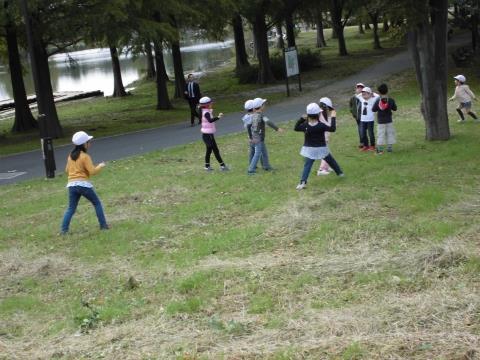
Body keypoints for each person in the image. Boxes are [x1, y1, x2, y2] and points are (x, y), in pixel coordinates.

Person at [61, 131, 109, 234]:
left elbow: (67, 170)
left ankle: (64, 230)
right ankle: (103, 226)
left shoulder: (70, 156)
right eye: (89, 141)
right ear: (84, 144)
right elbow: (92, 171)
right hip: (83, 184)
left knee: (71, 208)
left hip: (72, 185)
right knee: (97, 203)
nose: (90, 143)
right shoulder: (85, 157)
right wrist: (100, 166)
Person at [294, 101, 344, 190]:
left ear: (308, 115)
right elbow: (332, 129)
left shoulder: (305, 125)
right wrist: (333, 117)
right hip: (321, 149)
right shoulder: (321, 125)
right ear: (318, 114)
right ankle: (340, 173)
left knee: (307, 165)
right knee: (331, 160)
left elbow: (296, 128)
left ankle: (302, 182)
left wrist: (301, 119)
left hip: (309, 149)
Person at [247, 97, 283, 175]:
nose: (265, 106)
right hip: (258, 138)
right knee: (257, 153)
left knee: (264, 152)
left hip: (255, 137)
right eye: (264, 104)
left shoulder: (253, 115)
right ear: (261, 106)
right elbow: (268, 122)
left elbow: (248, 126)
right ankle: (250, 170)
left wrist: (250, 137)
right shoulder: (261, 115)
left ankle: (266, 166)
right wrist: (277, 129)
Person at [199, 96, 229, 171]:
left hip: (208, 135)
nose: (212, 104)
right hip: (208, 135)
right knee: (215, 150)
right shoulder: (206, 113)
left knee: (210, 150)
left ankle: (207, 166)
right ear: (207, 105)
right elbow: (210, 120)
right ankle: (222, 166)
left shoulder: (205, 111)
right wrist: (218, 117)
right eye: (210, 103)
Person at [372, 84, 397, 154]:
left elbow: (373, 109)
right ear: (387, 91)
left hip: (380, 121)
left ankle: (380, 149)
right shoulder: (391, 100)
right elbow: (395, 109)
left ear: (379, 92)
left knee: (380, 134)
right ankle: (389, 149)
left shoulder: (377, 100)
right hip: (389, 120)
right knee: (390, 133)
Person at [242, 99, 264, 167]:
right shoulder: (253, 117)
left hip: (250, 136)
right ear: (253, 108)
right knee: (259, 151)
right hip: (255, 136)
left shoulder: (246, 117)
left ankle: (251, 164)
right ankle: (262, 165)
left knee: (252, 151)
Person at [317, 97, 335, 176]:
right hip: (321, 138)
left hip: (325, 138)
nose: (329, 110)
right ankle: (321, 169)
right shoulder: (319, 114)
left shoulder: (325, 114)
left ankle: (327, 167)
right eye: (328, 108)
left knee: (328, 153)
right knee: (325, 153)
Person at [357, 86, 379, 151]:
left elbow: (378, 96)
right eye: (363, 94)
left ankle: (372, 146)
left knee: (370, 133)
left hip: (370, 120)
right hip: (363, 120)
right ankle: (366, 146)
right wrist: (363, 92)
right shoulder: (361, 99)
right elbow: (357, 96)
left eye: (365, 94)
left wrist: (372, 93)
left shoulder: (373, 99)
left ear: (369, 94)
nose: (363, 95)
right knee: (363, 133)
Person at [349, 82, 365, 148]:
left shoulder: (364, 96)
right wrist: (353, 112)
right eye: (358, 87)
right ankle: (362, 142)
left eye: (361, 87)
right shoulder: (353, 97)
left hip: (364, 115)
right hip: (357, 116)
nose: (359, 89)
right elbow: (350, 105)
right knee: (360, 128)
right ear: (356, 88)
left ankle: (363, 142)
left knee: (363, 128)